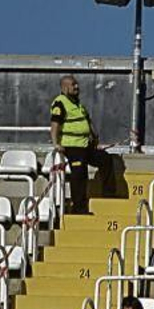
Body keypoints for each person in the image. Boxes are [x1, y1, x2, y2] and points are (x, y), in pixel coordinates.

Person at [50, 75, 120, 213]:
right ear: (65, 87)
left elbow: (88, 123)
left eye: (77, 84)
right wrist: (56, 143)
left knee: (105, 159)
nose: (77, 87)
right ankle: (79, 208)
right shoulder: (60, 103)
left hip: (85, 145)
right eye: (73, 85)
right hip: (72, 146)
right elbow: (54, 125)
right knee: (79, 174)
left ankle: (109, 194)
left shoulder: (79, 105)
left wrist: (95, 141)